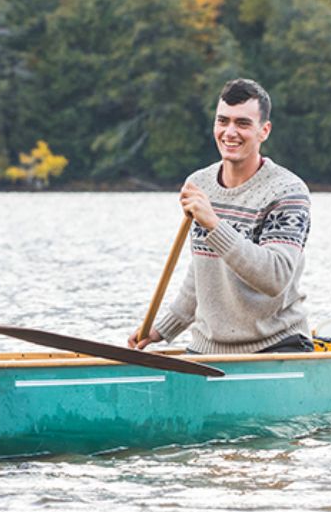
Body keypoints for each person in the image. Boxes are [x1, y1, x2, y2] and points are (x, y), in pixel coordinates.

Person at [129, 78, 312, 355]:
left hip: (275, 346)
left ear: (264, 131)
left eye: (242, 123)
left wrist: (213, 223)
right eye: (222, 121)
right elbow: (203, 271)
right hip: (208, 349)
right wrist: (164, 328)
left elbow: (274, 277)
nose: (229, 132)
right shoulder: (199, 184)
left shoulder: (288, 192)